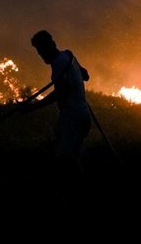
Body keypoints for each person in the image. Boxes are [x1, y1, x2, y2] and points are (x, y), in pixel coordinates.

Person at [18, 30, 92, 196]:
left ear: (51, 44)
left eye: (43, 50)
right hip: (79, 115)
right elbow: (86, 75)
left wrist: (31, 108)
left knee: (65, 162)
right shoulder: (68, 55)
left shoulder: (59, 63)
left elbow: (62, 92)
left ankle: (77, 195)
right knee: (69, 158)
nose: (42, 55)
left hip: (73, 119)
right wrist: (75, 73)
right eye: (39, 52)